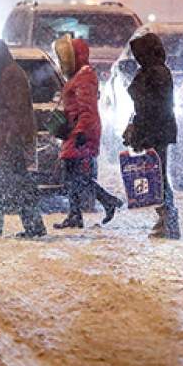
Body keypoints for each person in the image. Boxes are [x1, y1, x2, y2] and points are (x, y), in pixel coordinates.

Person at [0, 39, 47, 239]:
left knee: (2, 179)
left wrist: (12, 137)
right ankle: (27, 225)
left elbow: (18, 110)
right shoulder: (1, 75)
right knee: (14, 182)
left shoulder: (11, 75)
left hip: (11, 138)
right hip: (6, 136)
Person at [52, 36, 123, 229]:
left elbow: (87, 109)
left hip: (81, 131)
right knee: (72, 175)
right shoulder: (80, 75)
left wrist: (81, 132)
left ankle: (106, 201)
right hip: (76, 129)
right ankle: (77, 214)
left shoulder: (84, 76)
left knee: (75, 176)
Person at [123, 32, 181, 240]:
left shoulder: (156, 73)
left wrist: (140, 128)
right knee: (156, 175)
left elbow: (151, 105)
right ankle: (165, 218)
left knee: (158, 176)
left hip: (156, 131)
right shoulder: (152, 71)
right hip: (155, 129)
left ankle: (169, 219)